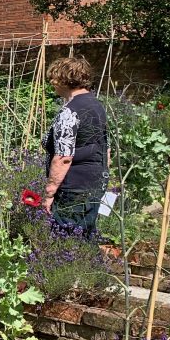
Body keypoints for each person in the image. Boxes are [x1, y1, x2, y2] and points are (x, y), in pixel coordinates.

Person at [41, 55, 109, 237]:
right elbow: (106, 148)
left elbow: (63, 157)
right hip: (95, 182)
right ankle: (91, 265)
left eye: (53, 79)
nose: (52, 84)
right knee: (85, 236)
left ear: (63, 80)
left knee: (66, 238)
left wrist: (49, 193)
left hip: (74, 186)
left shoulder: (70, 111)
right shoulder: (97, 106)